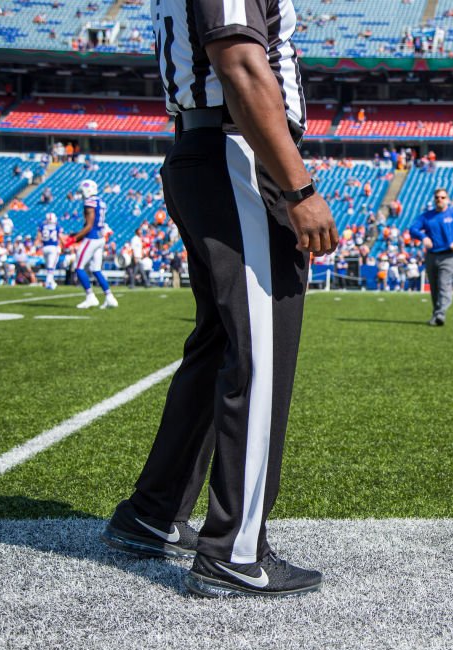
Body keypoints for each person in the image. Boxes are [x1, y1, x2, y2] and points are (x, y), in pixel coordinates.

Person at [100, 0, 337, 598]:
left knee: (217, 349)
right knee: (259, 357)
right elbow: (238, 63)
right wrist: (299, 187)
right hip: (236, 152)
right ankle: (235, 550)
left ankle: (152, 512)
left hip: (211, 148)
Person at [408, 188, 453, 325]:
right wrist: (423, 237)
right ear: (434, 199)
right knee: (434, 287)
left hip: (448, 255)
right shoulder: (427, 216)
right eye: (437, 197)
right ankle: (436, 313)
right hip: (432, 255)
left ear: (448, 200)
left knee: (443, 284)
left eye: (443, 197)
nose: (440, 200)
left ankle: (440, 314)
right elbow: (413, 229)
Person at [68, 179, 118, 309]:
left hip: (92, 238)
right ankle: (109, 297)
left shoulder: (89, 202)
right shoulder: (100, 201)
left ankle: (90, 296)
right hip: (100, 237)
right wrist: (76, 236)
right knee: (96, 269)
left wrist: (74, 239)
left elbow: (89, 225)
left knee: (78, 267)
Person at [38, 212, 60, 289]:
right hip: (53, 247)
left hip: (45, 247)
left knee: (48, 266)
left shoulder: (42, 226)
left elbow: (39, 237)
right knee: (51, 267)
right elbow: (59, 236)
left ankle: (51, 281)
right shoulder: (56, 226)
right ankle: (48, 282)